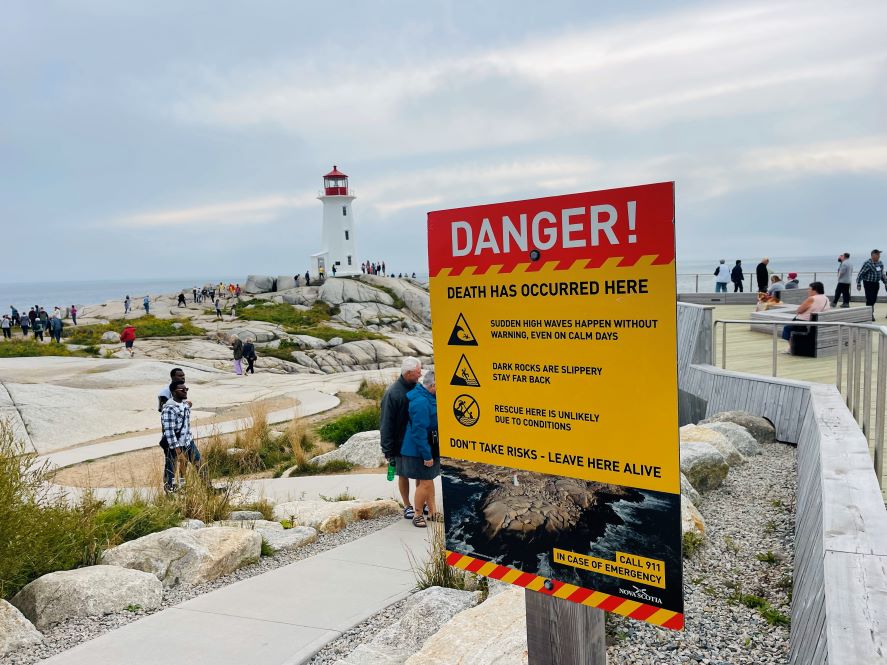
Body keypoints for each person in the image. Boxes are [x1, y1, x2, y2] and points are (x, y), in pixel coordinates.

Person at [380, 357, 423, 518]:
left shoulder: (418, 387)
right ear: (409, 373)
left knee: (422, 474)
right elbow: (386, 422)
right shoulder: (392, 393)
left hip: (418, 441)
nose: (420, 375)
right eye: (418, 372)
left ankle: (420, 502)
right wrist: (387, 449)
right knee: (403, 474)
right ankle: (407, 505)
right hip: (400, 443)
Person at [398, 371, 439, 527]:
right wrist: (427, 455)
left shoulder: (428, 397)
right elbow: (419, 431)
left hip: (428, 446)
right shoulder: (421, 402)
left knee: (426, 481)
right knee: (426, 483)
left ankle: (433, 512)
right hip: (419, 449)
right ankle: (418, 514)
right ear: (433, 385)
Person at [160, 380, 205, 490]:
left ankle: (208, 488)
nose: (185, 391)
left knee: (200, 464)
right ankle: (170, 491)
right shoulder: (169, 408)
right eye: (182, 390)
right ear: (174, 392)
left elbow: (187, 406)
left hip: (188, 442)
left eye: (186, 389)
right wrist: (178, 450)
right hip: (174, 445)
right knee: (171, 469)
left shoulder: (184, 405)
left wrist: (189, 404)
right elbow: (169, 431)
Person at [158, 368, 189, 492]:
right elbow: (164, 410)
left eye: (183, 375)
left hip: (183, 435)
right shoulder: (165, 392)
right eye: (179, 376)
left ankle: (181, 485)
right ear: (172, 377)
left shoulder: (182, 388)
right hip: (171, 433)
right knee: (171, 462)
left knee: (184, 460)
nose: (182, 377)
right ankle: (169, 487)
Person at [781, 282, 830, 353]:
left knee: (787, 328)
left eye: (809, 289)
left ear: (815, 290)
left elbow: (799, 310)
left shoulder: (812, 298)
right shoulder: (826, 298)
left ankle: (792, 348)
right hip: (816, 322)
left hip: (804, 323)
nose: (808, 291)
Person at [856, 249, 887, 320]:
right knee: (869, 299)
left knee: (874, 299)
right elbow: (861, 274)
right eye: (878, 254)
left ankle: (870, 312)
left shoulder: (880, 263)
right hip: (868, 283)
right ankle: (870, 315)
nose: (879, 256)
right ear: (873, 255)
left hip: (876, 283)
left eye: (879, 255)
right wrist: (858, 284)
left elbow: (881, 274)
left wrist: (885, 282)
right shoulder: (867, 263)